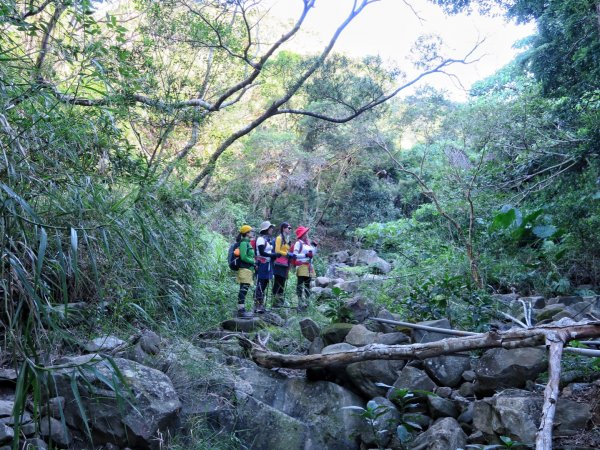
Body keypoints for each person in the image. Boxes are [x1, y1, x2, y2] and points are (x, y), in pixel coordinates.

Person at [254, 220, 279, 313]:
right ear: (266, 229)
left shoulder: (266, 240)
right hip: (262, 264)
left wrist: (274, 255)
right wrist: (273, 255)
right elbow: (261, 252)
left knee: (264, 284)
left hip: (267, 264)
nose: (272, 229)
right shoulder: (260, 239)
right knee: (261, 284)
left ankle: (260, 305)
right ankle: (257, 305)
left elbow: (266, 252)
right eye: (270, 228)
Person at [293, 226, 318, 311]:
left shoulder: (307, 243)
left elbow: (312, 254)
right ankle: (300, 302)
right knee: (300, 284)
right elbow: (295, 255)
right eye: (305, 233)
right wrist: (305, 255)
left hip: (309, 265)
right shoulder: (298, 243)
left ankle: (307, 302)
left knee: (308, 284)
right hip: (301, 265)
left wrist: (314, 247)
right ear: (302, 234)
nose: (306, 235)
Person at [272, 222, 296, 308]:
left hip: (285, 264)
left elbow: (287, 250)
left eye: (290, 228)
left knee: (282, 283)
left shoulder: (287, 239)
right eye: (288, 228)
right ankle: (275, 302)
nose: (290, 230)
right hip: (278, 263)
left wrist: (290, 254)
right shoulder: (279, 238)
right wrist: (287, 254)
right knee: (277, 283)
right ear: (283, 228)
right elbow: (277, 250)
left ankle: (280, 302)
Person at [236, 225, 255, 317]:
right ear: (247, 233)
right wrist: (253, 261)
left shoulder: (248, 243)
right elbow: (243, 257)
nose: (252, 233)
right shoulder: (244, 243)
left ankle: (242, 309)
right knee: (243, 290)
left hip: (248, 270)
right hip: (244, 269)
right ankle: (241, 311)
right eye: (251, 231)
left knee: (245, 289)